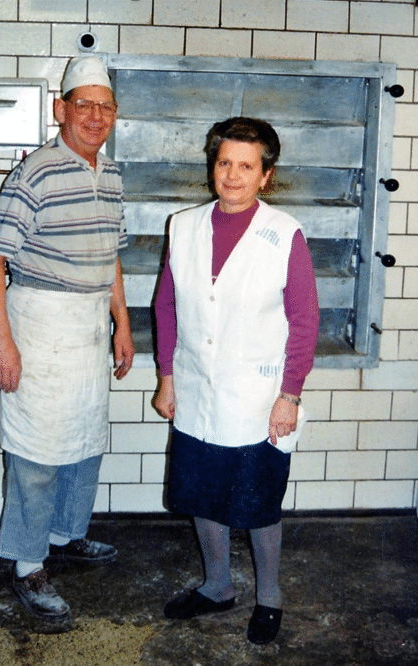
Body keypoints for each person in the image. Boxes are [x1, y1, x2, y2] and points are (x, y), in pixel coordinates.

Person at [0, 56, 134, 622]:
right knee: (36, 452)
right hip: (40, 326)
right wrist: (2, 342)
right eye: (83, 105)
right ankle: (27, 564)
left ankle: (68, 535)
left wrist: (122, 323)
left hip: (89, 327)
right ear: (60, 109)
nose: (95, 117)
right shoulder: (35, 172)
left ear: (115, 114)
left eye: (105, 106)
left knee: (85, 441)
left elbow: (112, 255)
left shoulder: (111, 175)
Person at [153, 117, 319, 644]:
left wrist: (289, 395)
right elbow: (166, 305)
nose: (232, 175)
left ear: (265, 175)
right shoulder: (183, 225)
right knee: (203, 495)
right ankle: (218, 585)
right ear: (213, 166)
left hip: (258, 397)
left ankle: (270, 598)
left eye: (246, 166)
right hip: (198, 389)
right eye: (224, 162)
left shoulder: (284, 233)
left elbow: (305, 320)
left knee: (258, 503)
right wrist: (165, 376)